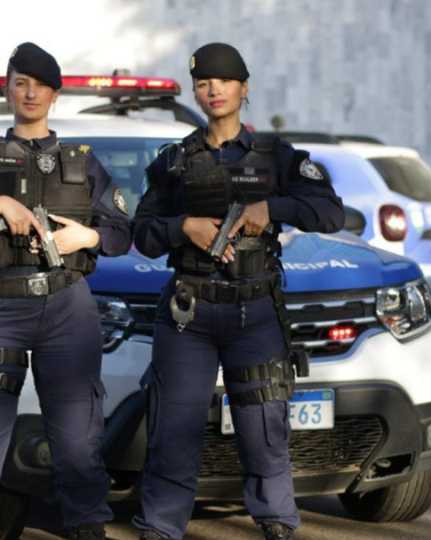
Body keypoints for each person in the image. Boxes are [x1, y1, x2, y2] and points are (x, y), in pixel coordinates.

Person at [131, 43, 344, 540]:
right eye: (204, 83)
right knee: (174, 429)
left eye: (224, 81)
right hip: (189, 313)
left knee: (264, 427)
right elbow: (141, 233)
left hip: (255, 312)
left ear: (244, 88)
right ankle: (160, 527)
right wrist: (183, 227)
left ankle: (276, 521)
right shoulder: (174, 161)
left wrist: (272, 209)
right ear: (195, 91)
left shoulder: (276, 157)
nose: (214, 90)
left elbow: (330, 212)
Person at [0, 42, 132, 540]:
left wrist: (88, 238)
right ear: (7, 90)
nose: (31, 93)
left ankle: (87, 533)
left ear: (55, 95)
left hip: (68, 308)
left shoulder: (83, 164)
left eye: (41, 86)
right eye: (21, 83)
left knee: (79, 449)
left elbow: (125, 232)